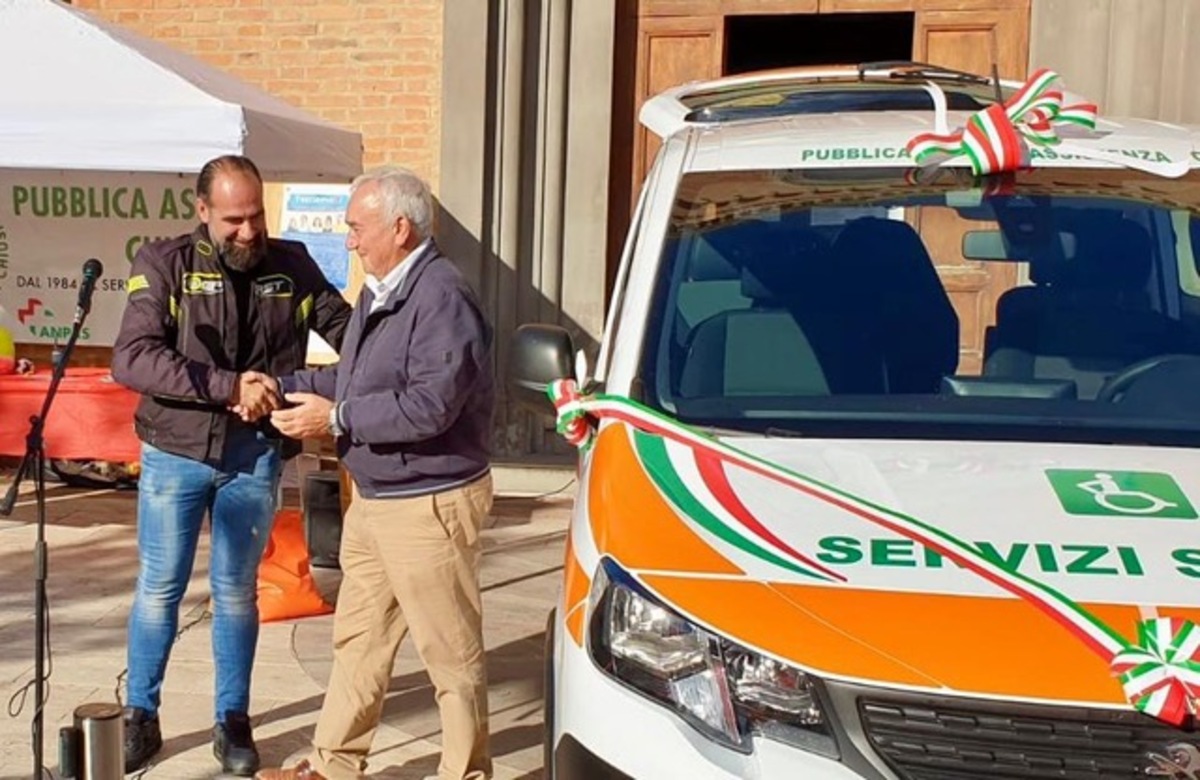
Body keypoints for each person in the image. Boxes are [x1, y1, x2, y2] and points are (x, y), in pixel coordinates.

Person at [111, 155, 353, 776]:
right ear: (202, 211)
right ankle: (141, 714)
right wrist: (228, 386)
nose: (249, 231)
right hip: (175, 453)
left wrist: (293, 388)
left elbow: (354, 340)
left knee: (238, 591)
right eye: (234, 220)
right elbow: (132, 358)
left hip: (255, 455)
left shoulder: (293, 265)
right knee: (160, 588)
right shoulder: (163, 264)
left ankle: (233, 718)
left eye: (256, 217)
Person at [256, 167, 496, 780]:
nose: (350, 241)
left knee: (450, 654)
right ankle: (333, 765)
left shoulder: (442, 297)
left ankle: (466, 772)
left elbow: (430, 405)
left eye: (358, 228)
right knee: (359, 639)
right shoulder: (379, 291)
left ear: (400, 227)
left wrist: (335, 418)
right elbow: (355, 377)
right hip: (376, 496)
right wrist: (284, 385)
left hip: (429, 502)